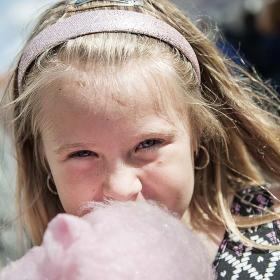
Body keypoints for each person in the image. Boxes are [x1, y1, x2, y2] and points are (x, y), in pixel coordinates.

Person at [0, 0, 280, 278]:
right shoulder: (54, 269)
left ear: (197, 133)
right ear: (44, 160)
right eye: (82, 154)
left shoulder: (272, 232)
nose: (121, 189)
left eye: (148, 144)